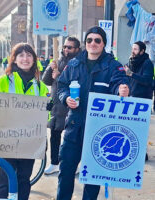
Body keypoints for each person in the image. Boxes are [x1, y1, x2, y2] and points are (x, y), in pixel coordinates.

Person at [56, 26, 129, 200]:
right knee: (65, 173)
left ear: (104, 44)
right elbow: (61, 86)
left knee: (93, 178)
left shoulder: (113, 66)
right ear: (85, 43)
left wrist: (122, 91)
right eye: (89, 40)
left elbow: (118, 84)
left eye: (97, 40)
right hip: (74, 128)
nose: (93, 43)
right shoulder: (73, 65)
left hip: (99, 132)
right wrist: (66, 98)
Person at [0, 43, 49, 200]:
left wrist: (48, 109)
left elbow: (47, 118)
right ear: (15, 59)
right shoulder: (3, 81)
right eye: (21, 55)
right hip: (7, 139)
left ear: (34, 60)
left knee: (24, 180)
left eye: (29, 55)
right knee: (6, 179)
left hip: (29, 140)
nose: (26, 59)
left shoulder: (41, 86)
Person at [42, 36, 80, 175]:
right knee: (54, 135)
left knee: (71, 139)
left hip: (70, 106)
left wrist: (58, 76)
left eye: (69, 47)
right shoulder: (58, 61)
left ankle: (73, 164)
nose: (66, 49)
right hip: (56, 106)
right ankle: (54, 163)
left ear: (77, 49)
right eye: (64, 46)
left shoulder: (78, 64)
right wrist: (50, 69)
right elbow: (46, 81)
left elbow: (75, 84)